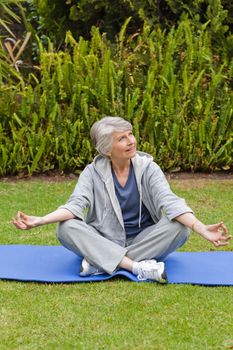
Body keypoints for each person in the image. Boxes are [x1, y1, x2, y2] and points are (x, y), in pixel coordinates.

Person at [12, 116, 231, 283]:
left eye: (131, 134)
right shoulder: (92, 172)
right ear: (107, 149)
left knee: (180, 228)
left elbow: (169, 201)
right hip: (104, 238)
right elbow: (75, 205)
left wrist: (200, 228)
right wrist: (40, 220)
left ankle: (99, 262)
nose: (131, 141)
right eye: (122, 138)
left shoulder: (148, 168)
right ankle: (137, 268)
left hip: (143, 239)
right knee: (65, 228)